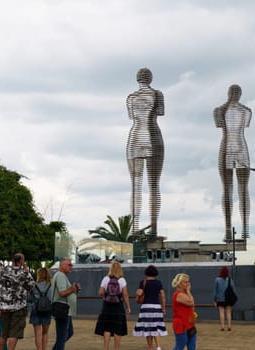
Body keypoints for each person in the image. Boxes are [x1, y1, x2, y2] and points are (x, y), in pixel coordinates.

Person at [126, 67, 165, 236]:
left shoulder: (131, 98)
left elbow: (131, 116)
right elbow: (160, 112)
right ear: (150, 78)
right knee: (154, 184)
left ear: (137, 79)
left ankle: (135, 227)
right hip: (153, 136)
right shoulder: (157, 94)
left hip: (135, 137)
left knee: (135, 185)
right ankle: (154, 227)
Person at [213, 84, 252, 240]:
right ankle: (229, 229)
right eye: (233, 92)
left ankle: (244, 229)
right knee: (229, 189)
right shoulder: (219, 111)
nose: (235, 94)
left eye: (237, 92)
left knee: (241, 190)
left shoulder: (246, 111)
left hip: (237, 148)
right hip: (229, 148)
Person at [0, 253, 35, 350]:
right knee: (14, 333)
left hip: (4, 306)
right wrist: (27, 271)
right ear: (21, 261)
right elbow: (31, 286)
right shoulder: (23, 273)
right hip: (18, 307)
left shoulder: (2, 271)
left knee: (4, 333)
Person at [95, 261, 131, 350]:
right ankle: (116, 348)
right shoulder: (122, 280)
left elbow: (100, 293)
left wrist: (107, 296)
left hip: (107, 306)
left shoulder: (105, 279)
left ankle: (106, 348)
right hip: (118, 306)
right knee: (117, 328)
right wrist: (128, 307)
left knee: (107, 328)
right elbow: (125, 295)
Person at [133, 264, 167, 350]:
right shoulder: (159, 283)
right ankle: (158, 346)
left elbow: (139, 293)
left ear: (146, 273)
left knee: (148, 327)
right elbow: (163, 296)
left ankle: (150, 347)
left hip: (146, 307)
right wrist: (163, 308)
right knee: (157, 327)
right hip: (156, 307)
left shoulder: (143, 282)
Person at [51, 257, 80, 350]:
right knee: (62, 337)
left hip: (65, 310)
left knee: (68, 333)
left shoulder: (61, 275)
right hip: (62, 309)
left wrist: (73, 289)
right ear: (62, 265)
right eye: (69, 265)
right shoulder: (60, 276)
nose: (71, 267)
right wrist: (73, 288)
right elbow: (62, 293)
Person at [171, 273, 197, 350]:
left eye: (188, 282)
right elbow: (191, 302)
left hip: (190, 323)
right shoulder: (178, 294)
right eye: (185, 282)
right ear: (179, 284)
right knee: (180, 346)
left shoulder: (184, 294)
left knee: (192, 346)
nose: (188, 284)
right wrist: (189, 291)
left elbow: (192, 305)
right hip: (180, 324)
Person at [29, 268, 52, 350]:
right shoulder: (50, 285)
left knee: (37, 334)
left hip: (36, 310)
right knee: (45, 333)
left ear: (39, 275)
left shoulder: (34, 285)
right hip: (47, 310)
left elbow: (30, 298)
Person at [213, 266, 236, 331]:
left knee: (221, 312)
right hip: (228, 299)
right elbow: (233, 290)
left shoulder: (217, 280)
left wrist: (215, 300)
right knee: (228, 312)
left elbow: (215, 291)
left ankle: (222, 327)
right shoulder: (230, 280)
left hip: (220, 299)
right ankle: (229, 326)